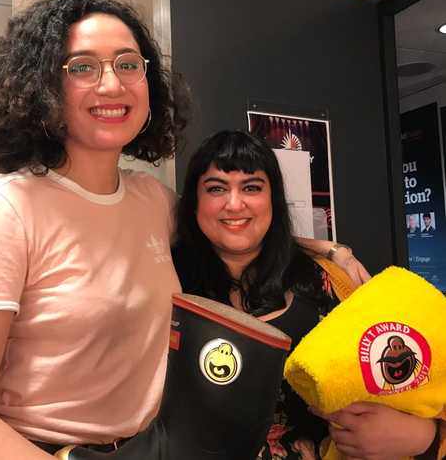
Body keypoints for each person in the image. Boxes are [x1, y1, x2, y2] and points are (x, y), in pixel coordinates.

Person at [0, 0, 368, 459]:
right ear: (41, 85)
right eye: (82, 66)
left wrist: (332, 251)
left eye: (128, 64)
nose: (112, 84)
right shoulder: (2, 208)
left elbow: (231, 223)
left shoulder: (150, 199)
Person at [172, 130, 443, 460]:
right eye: (216, 188)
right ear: (194, 201)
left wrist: (423, 436)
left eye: (252, 187)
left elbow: (418, 380)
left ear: (273, 199)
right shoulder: (165, 282)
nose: (234, 203)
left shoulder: (328, 283)